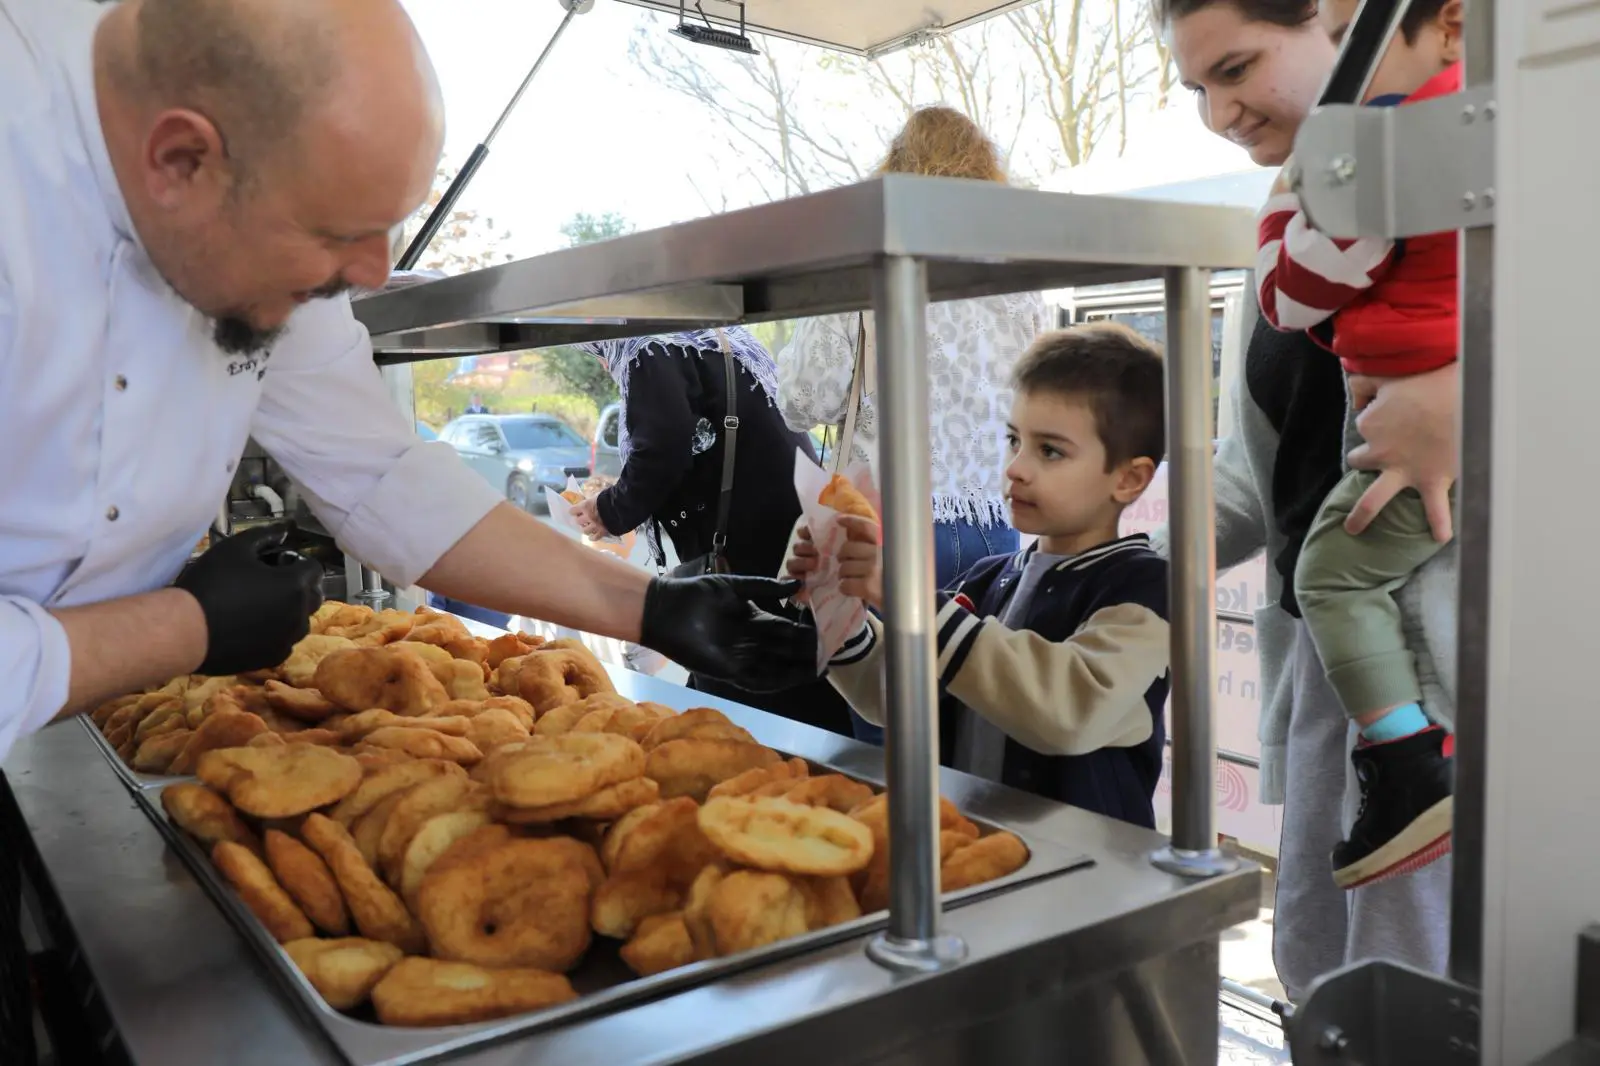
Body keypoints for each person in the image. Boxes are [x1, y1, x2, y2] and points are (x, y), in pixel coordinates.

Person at [0, 0, 816, 763]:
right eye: (338, 233)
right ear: (181, 161)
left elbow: (382, 476)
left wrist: (655, 607)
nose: (367, 274)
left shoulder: (256, 206)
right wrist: (182, 629)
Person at [1161, 0, 1458, 1000]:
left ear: (1347, 30)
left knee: (1425, 988)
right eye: (1198, 89)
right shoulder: (1283, 228)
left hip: (1457, 674)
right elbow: (1263, 465)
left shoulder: (1466, 157)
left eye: (1239, 69)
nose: (1220, 113)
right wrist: (1153, 548)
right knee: (1320, 972)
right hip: (1328, 675)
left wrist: (1469, 398)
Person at [787, 325, 1171, 825]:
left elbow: (1067, 710)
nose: (1016, 467)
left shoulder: (1146, 591)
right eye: (1014, 441)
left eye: (1049, 451)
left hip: (1085, 876)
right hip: (975, 843)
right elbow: (899, 697)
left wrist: (913, 603)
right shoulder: (989, 579)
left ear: (1129, 478)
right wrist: (837, 596)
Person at [1256, 0, 1462, 890]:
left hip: (1434, 504)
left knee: (1334, 573)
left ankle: (1411, 760)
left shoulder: (1393, 148)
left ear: (1449, 27)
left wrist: (1281, 203)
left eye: (1350, 40)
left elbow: (1290, 293)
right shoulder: (1461, 127)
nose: (1337, 72)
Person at [776, 104, 1051, 744]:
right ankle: (959, 837)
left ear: (896, 171)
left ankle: (896, 840)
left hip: (882, 519)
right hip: (994, 522)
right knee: (973, 715)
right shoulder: (1013, 273)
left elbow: (802, 399)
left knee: (884, 717)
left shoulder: (867, 256)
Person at [567, 328, 855, 737]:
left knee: (755, 700)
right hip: (789, 537)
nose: (600, 361)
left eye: (593, 349)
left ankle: (770, 777)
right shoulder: (716, 338)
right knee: (787, 674)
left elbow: (663, 450)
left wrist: (608, 510)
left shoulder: (648, 346)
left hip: (746, 551)